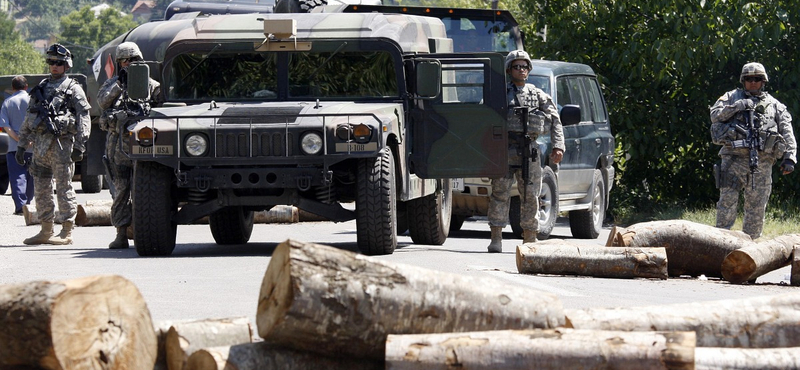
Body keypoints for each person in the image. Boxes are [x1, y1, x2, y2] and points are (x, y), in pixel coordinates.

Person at [487, 50, 565, 252]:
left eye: (524, 66)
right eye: (516, 66)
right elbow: (485, 119)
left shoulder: (537, 94)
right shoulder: (500, 93)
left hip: (529, 150)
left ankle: (530, 238)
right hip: (504, 149)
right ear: (509, 69)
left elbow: (555, 119)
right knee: (499, 194)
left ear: (529, 69)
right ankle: (496, 238)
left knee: (531, 195)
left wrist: (558, 145)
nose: (521, 70)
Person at [710, 62, 796, 239]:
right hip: (733, 161)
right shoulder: (731, 97)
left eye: (757, 79)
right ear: (743, 81)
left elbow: (787, 131)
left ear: (763, 81)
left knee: (756, 209)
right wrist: (738, 106)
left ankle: (750, 249)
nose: (753, 82)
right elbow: (714, 116)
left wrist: (790, 158)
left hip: (762, 163)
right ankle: (719, 245)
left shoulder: (775, 105)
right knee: (726, 204)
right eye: (749, 79)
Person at [16, 43, 91, 245]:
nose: (54, 66)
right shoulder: (40, 88)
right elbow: (28, 118)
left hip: (62, 147)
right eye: (51, 62)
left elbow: (84, 117)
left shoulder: (73, 88)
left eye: (58, 63)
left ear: (66, 65)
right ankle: (45, 230)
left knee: (64, 188)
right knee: (41, 190)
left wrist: (80, 145)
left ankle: (66, 231)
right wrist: (22, 145)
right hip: (40, 148)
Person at [97, 42, 161, 249]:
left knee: (144, 190)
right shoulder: (113, 84)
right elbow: (102, 103)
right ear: (119, 63)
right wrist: (120, 85)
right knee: (121, 191)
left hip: (143, 146)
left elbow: (160, 108)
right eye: (125, 61)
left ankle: (144, 230)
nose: (129, 64)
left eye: (133, 60)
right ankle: (121, 233)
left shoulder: (152, 85)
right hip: (117, 147)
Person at [1, 75, 34, 215]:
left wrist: (18, 139)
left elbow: (5, 125)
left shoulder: (7, 102)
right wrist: (29, 141)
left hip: (14, 147)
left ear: (12, 88)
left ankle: (20, 206)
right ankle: (29, 204)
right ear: (26, 87)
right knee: (31, 176)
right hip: (33, 147)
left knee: (17, 176)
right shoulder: (34, 101)